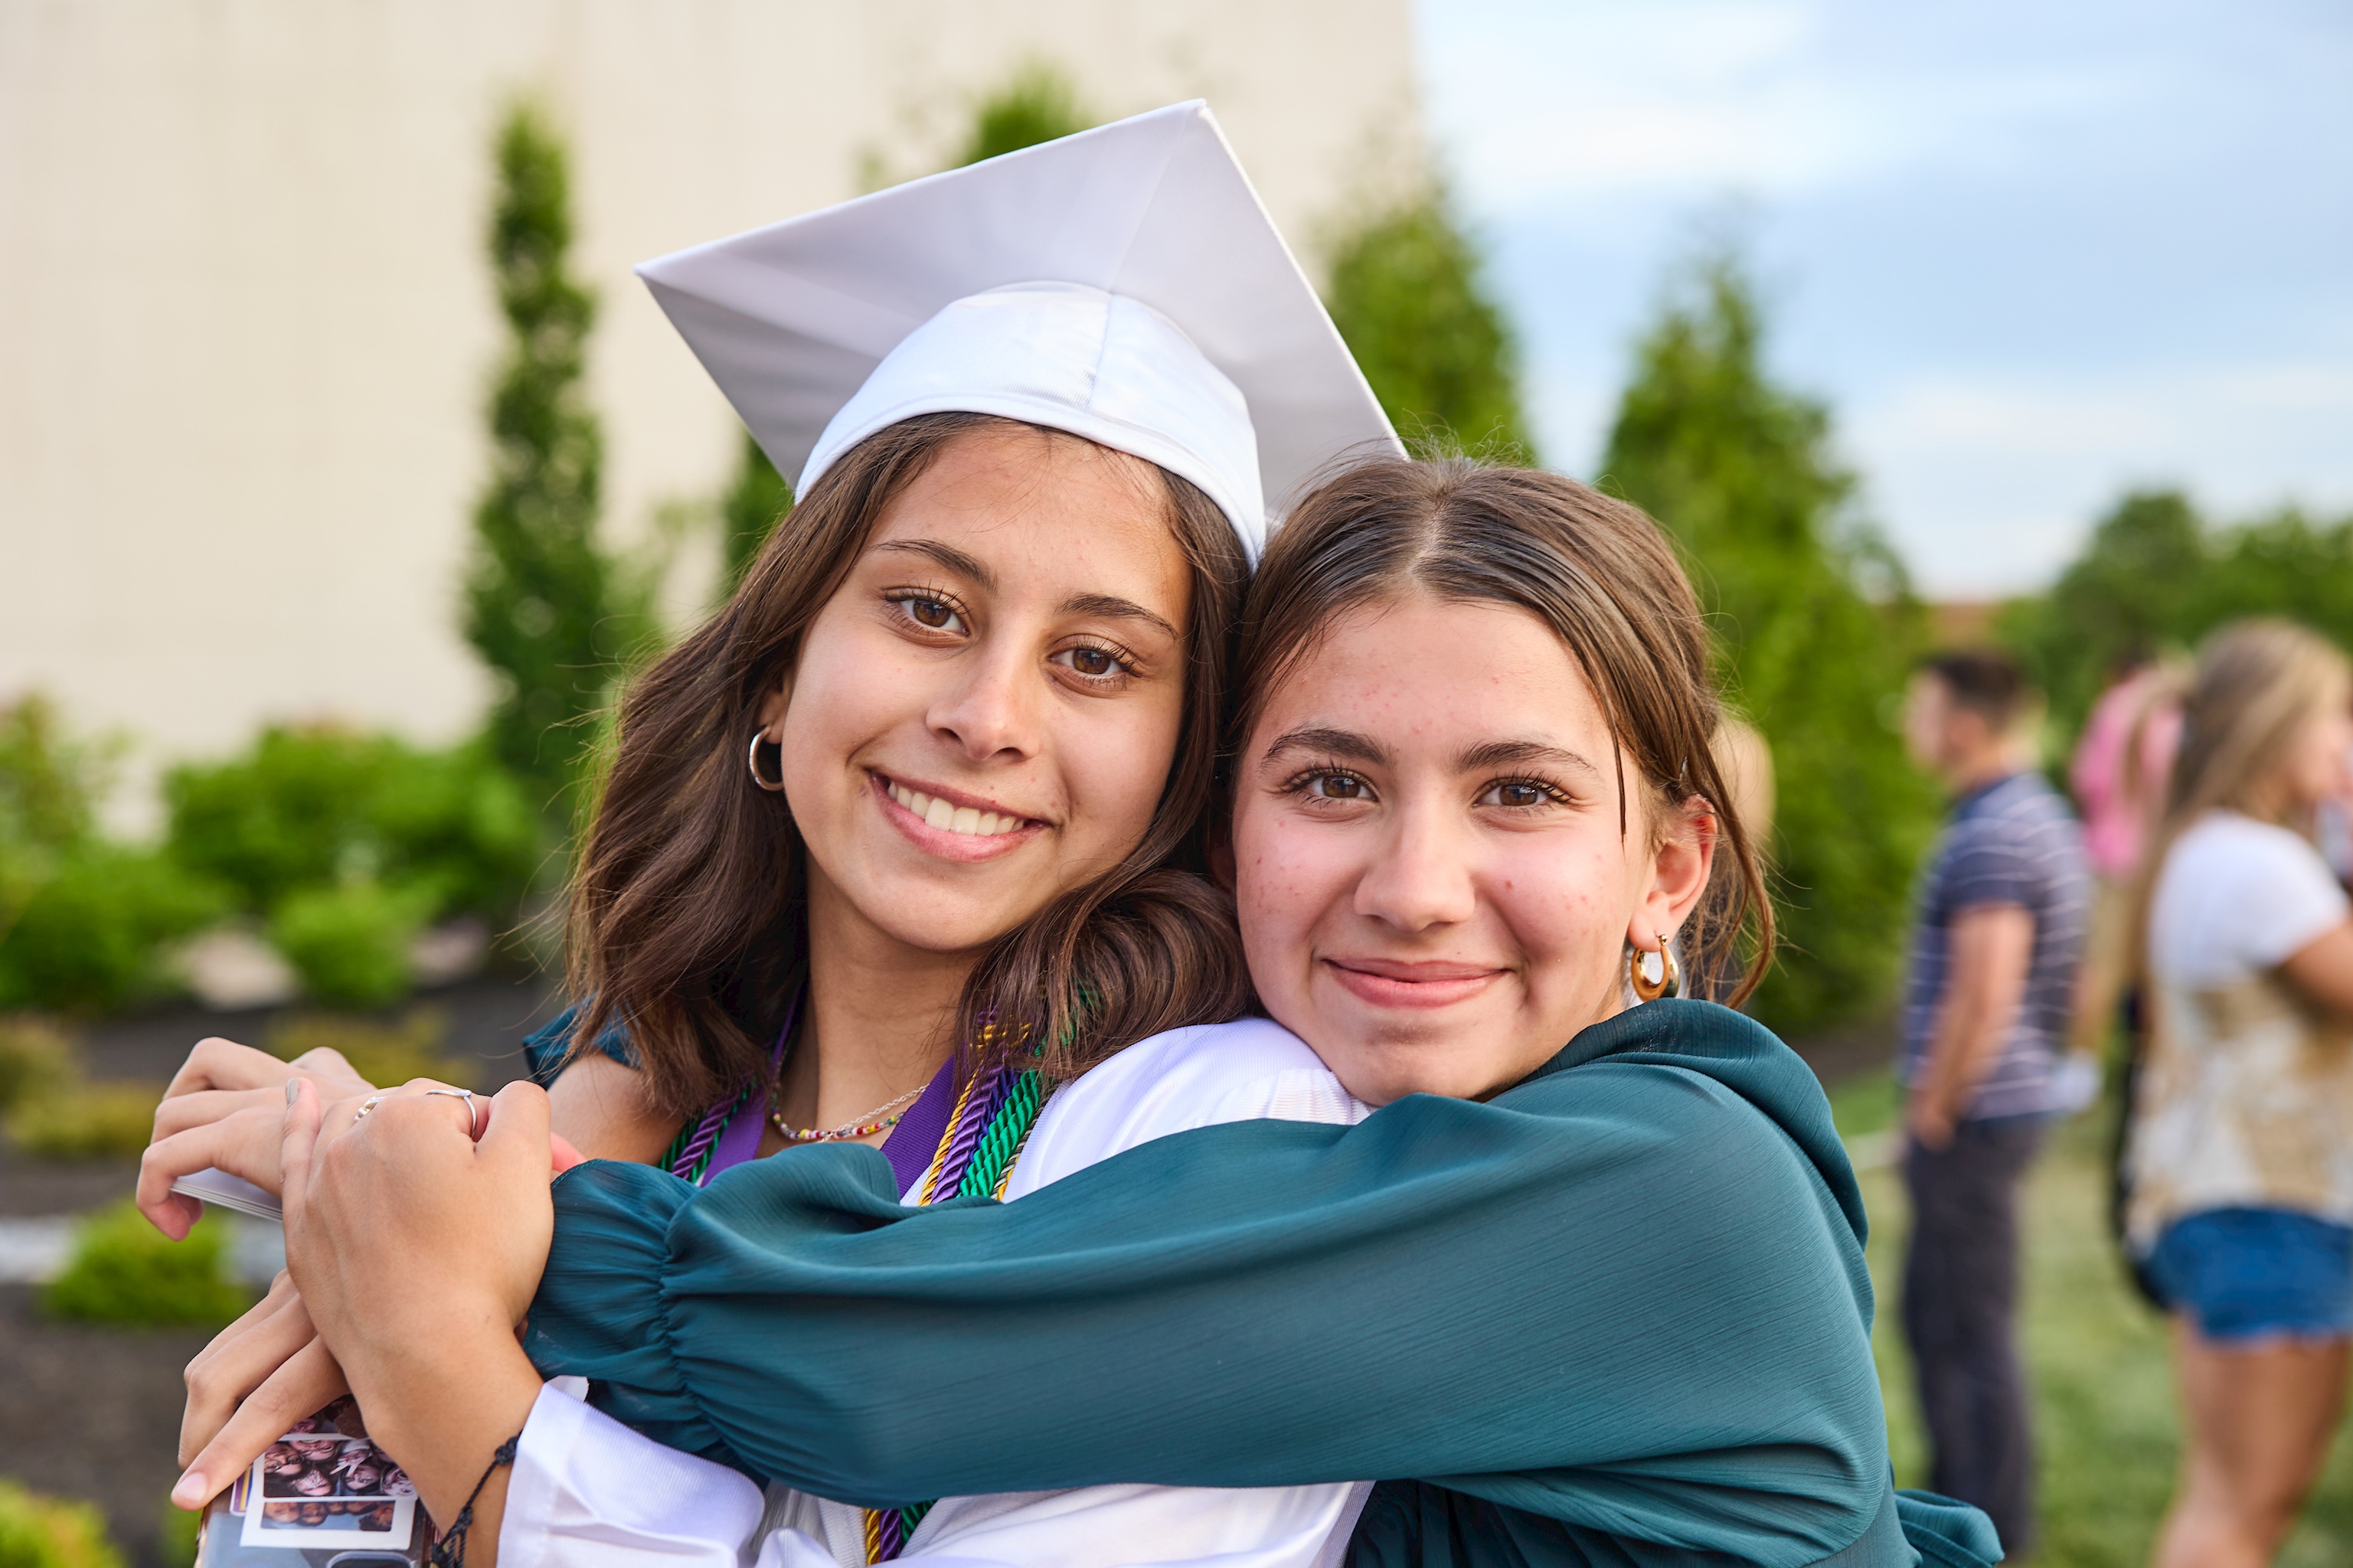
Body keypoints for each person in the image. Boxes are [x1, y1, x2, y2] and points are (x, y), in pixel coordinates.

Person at [256, 458, 1998, 1566]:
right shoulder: (1338, 1128)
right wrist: (574, 1087)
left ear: (1674, 866)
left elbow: (863, 1345)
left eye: (1521, 794)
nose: (1412, 881)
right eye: (1330, 781)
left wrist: (413, 1218)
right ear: (1223, 810)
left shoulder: (1671, 1185)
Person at [146, 100, 1404, 1563]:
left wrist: (434, 1346)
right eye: (926, 608)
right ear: (777, 661)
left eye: (1096, 659)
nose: (987, 714)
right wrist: (357, 1197)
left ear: (1187, 755)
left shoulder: (1217, 1139)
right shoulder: (625, 1104)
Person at [2123, 621, 2353, 1568]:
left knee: (2223, 1501)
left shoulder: (2209, 849)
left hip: (2221, 1205)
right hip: (2269, 1212)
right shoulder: (2259, 866)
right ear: (2271, 725)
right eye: (2331, 713)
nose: (2345, 737)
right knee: (2244, 1513)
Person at [1897, 648, 2090, 1556]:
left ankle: (1981, 1532)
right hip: (1999, 1106)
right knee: (1944, 1317)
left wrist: (1932, 1107)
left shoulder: (1994, 832)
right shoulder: (2034, 813)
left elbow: (1985, 988)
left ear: (1963, 724)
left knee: (1963, 1330)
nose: (1909, 725)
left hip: (1972, 1117)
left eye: (1918, 708)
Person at [2068, 649, 2185, 1061]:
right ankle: (2152, 1058)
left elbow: (2086, 780)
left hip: (2111, 854)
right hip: (2158, 857)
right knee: (2158, 968)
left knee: (2102, 964)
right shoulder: (2170, 714)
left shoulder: (2111, 709)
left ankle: (2083, 1063)